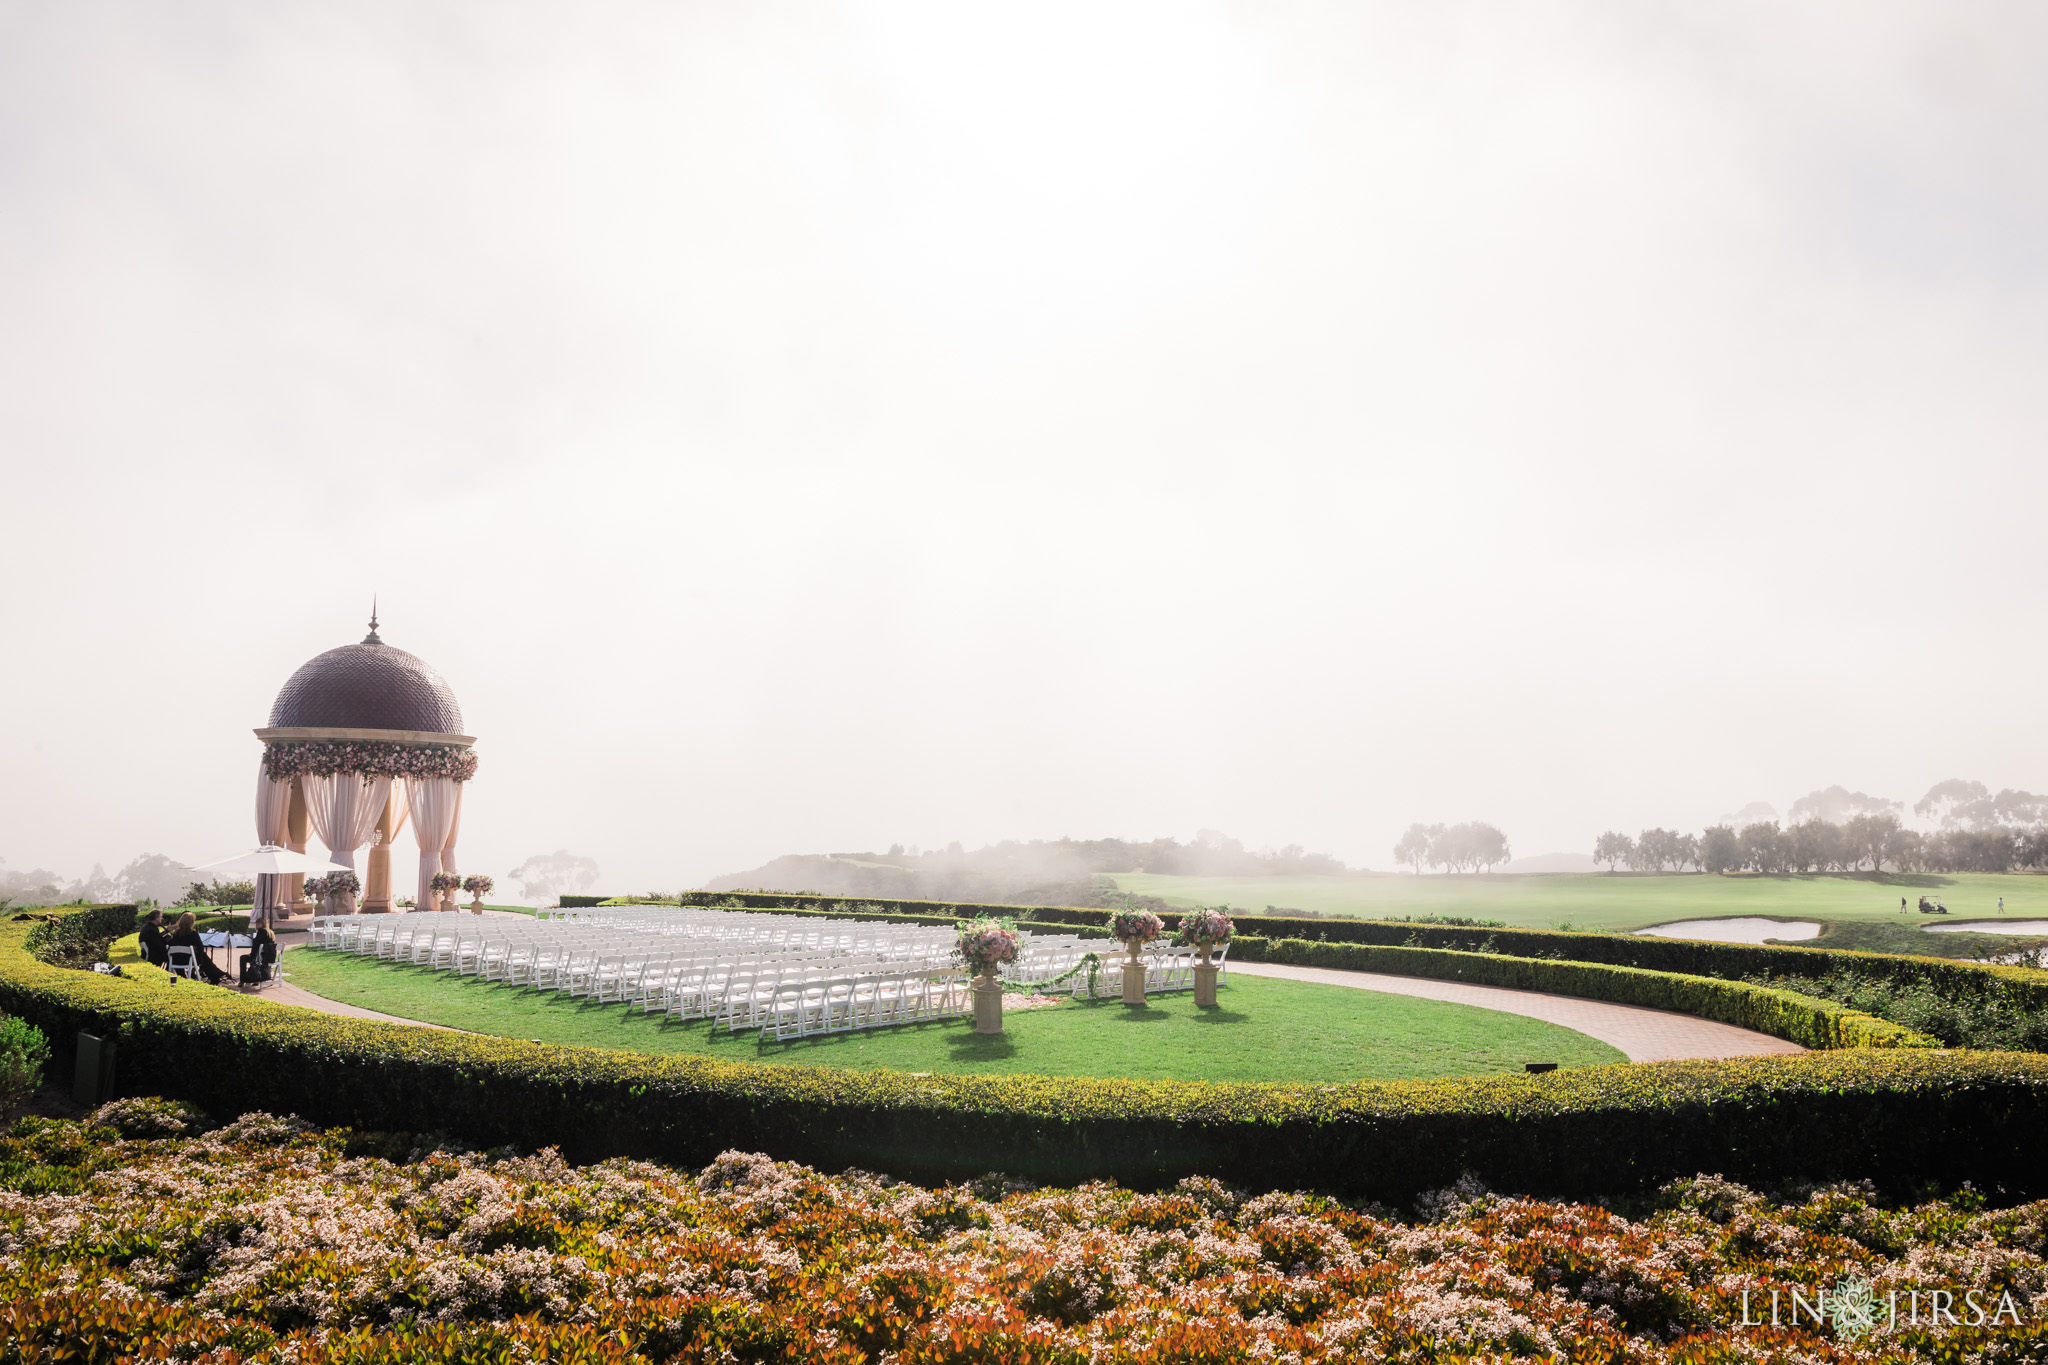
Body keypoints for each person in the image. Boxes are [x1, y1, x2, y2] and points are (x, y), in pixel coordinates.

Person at [167, 911, 228, 984]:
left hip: (176, 960)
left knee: (202, 956)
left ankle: (216, 974)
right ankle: (215, 976)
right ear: (191, 923)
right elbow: (200, 947)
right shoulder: (193, 934)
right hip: (189, 960)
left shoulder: (176, 933)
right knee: (203, 956)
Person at [240, 920, 277, 985]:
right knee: (250, 958)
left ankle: (243, 979)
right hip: (269, 957)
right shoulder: (270, 932)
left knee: (243, 958)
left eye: (259, 923)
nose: (257, 924)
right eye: (256, 923)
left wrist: (251, 955)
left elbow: (256, 945)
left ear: (263, 924)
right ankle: (255, 980)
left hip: (261, 958)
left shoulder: (261, 931)